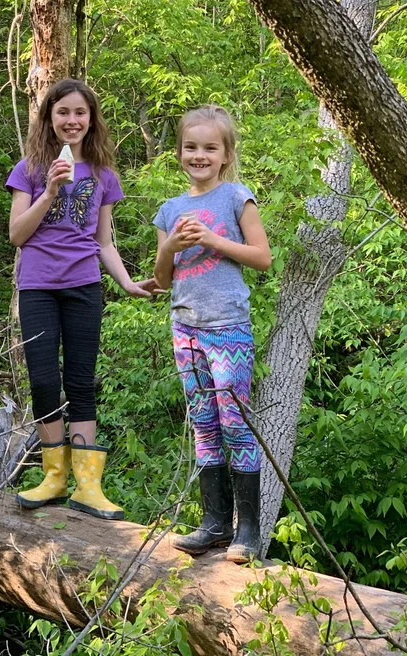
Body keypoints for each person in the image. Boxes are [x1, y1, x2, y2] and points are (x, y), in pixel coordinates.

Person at [7, 78, 156, 521]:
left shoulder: (103, 174)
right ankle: (53, 478)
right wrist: (49, 191)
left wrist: (127, 283)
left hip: (84, 285)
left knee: (81, 380)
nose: (71, 121)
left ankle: (89, 485)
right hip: (37, 285)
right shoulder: (29, 170)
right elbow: (16, 234)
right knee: (43, 381)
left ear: (91, 120)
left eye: (80, 113)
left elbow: (104, 241)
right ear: (49, 119)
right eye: (63, 113)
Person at [153, 105, 272, 562]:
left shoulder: (236, 197)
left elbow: (261, 257)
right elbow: (162, 280)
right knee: (203, 421)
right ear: (179, 152)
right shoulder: (171, 210)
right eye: (190, 147)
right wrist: (170, 245)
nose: (198, 155)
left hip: (228, 327)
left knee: (234, 422)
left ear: (225, 154)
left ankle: (249, 533)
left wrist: (211, 239)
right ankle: (214, 524)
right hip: (185, 327)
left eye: (209, 148)